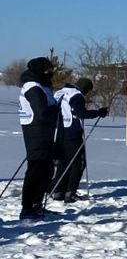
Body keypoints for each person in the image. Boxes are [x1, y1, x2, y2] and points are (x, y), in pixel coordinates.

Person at [50, 77, 109, 202]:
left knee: (64, 162)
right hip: (72, 134)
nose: (86, 94)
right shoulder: (77, 96)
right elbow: (80, 113)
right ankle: (70, 192)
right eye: (87, 91)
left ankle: (58, 191)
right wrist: (98, 113)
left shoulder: (61, 92)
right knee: (79, 163)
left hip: (60, 133)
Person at [17, 57, 59, 219]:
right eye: (47, 70)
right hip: (35, 132)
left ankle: (37, 204)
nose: (50, 74)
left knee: (46, 169)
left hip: (45, 131)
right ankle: (27, 207)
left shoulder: (42, 86)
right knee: (36, 169)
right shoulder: (32, 87)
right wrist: (56, 109)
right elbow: (41, 111)